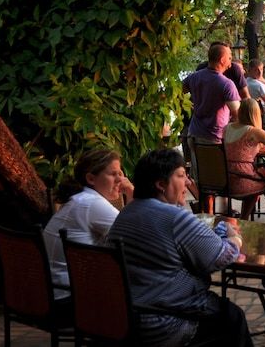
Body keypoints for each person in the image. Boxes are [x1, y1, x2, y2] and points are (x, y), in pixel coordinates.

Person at [107, 149, 252, 347]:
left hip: (124, 321)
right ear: (160, 184)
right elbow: (219, 257)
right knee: (232, 317)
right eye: (181, 176)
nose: (187, 183)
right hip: (163, 323)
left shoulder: (125, 214)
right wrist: (234, 238)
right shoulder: (174, 217)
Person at [43, 149, 134, 299]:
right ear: (91, 179)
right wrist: (131, 193)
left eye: (121, 173)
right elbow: (137, 236)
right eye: (113, 174)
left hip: (56, 291)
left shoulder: (81, 198)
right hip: (72, 296)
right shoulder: (91, 203)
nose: (121, 180)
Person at [223, 98, 265, 219]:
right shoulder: (254, 132)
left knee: (260, 179)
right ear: (256, 113)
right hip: (242, 182)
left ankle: (246, 218)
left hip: (225, 181)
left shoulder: (227, 128)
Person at [183, 43, 241, 144]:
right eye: (230, 58)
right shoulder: (226, 84)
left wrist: (186, 106)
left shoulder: (193, 77)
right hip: (213, 139)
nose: (230, 64)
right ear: (222, 60)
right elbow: (238, 114)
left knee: (196, 161)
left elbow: (176, 93)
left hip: (193, 135)